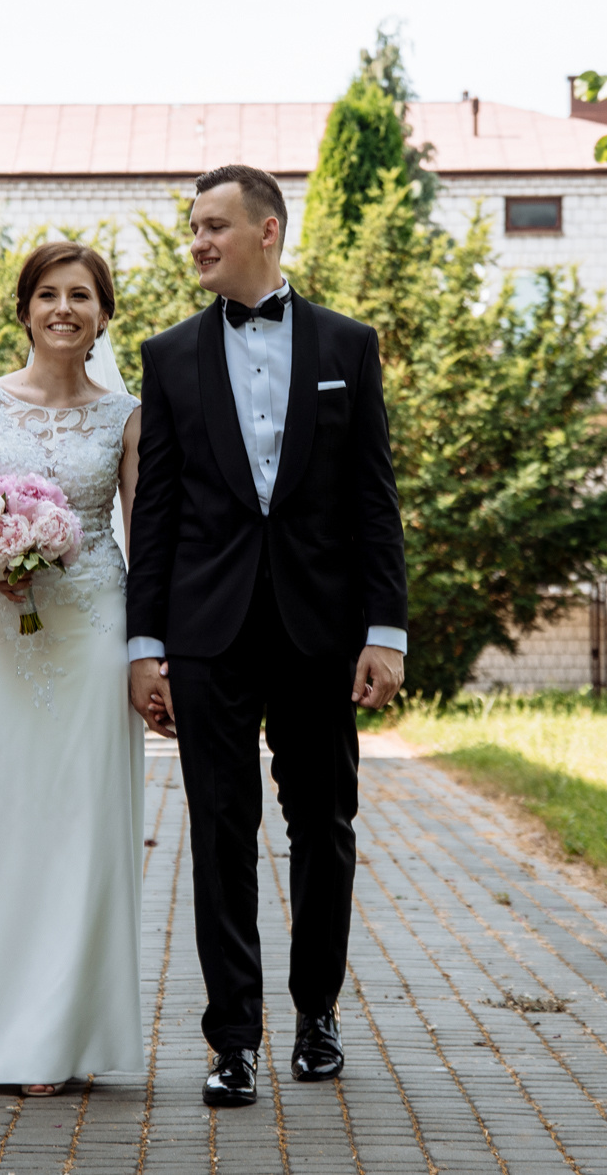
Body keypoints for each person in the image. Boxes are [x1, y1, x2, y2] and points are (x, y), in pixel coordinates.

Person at [124, 164, 409, 1108]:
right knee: (220, 834)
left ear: (268, 231)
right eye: (192, 228)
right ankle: (232, 1041)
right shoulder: (166, 359)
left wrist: (385, 630)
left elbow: (374, 499)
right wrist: (143, 647)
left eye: (214, 226)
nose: (198, 242)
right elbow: (154, 515)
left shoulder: (347, 344)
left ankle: (317, 1016)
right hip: (209, 631)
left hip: (322, 629)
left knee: (322, 828)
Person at [0, 241, 144, 1096]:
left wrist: (149, 654)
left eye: (82, 296)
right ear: (23, 310)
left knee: (81, 826)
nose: (65, 309)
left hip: (92, 624)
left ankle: (66, 1033)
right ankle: (5, 1028)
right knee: (10, 823)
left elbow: (147, 540)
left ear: (104, 316)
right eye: (49, 295)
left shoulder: (127, 417)